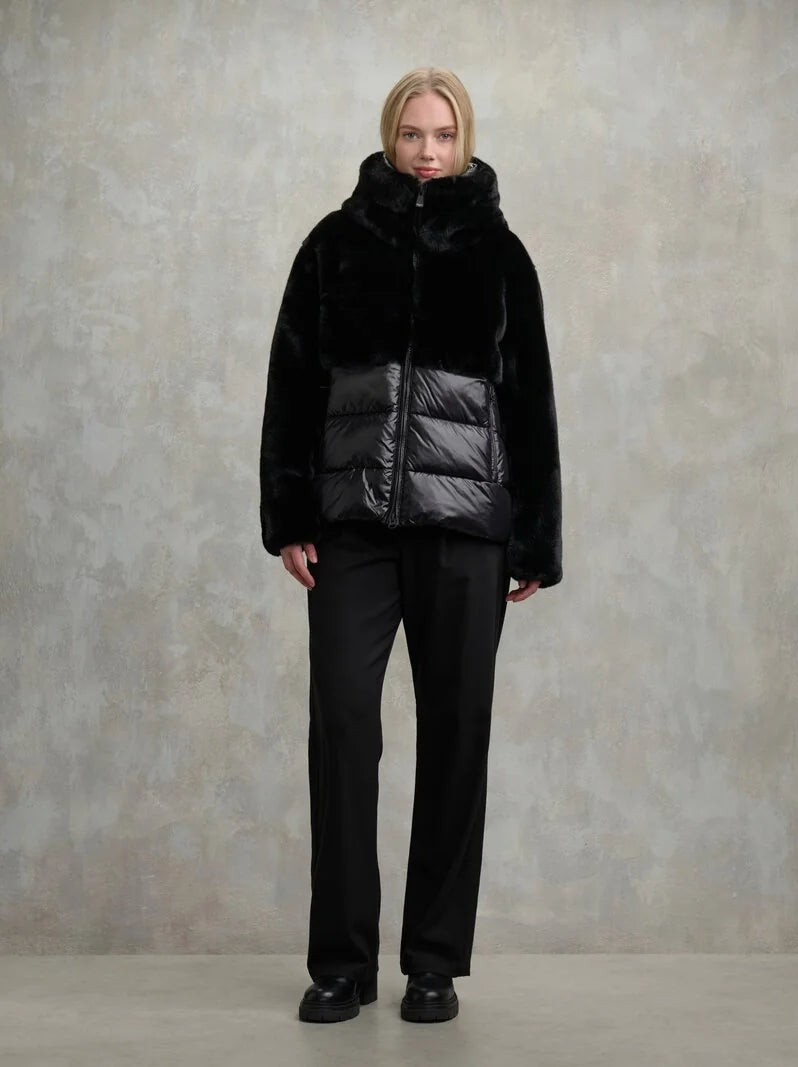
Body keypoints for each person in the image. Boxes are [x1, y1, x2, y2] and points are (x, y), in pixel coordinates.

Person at [259, 66, 562, 1024]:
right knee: (344, 731)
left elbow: (530, 401)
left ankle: (433, 963)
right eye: (411, 134)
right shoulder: (333, 244)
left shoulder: (501, 256)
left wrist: (536, 537)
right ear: (388, 137)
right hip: (352, 530)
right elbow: (292, 385)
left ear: (464, 141)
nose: (427, 153)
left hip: (466, 532)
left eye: (444, 135)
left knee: (457, 736)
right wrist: (289, 516)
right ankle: (341, 964)